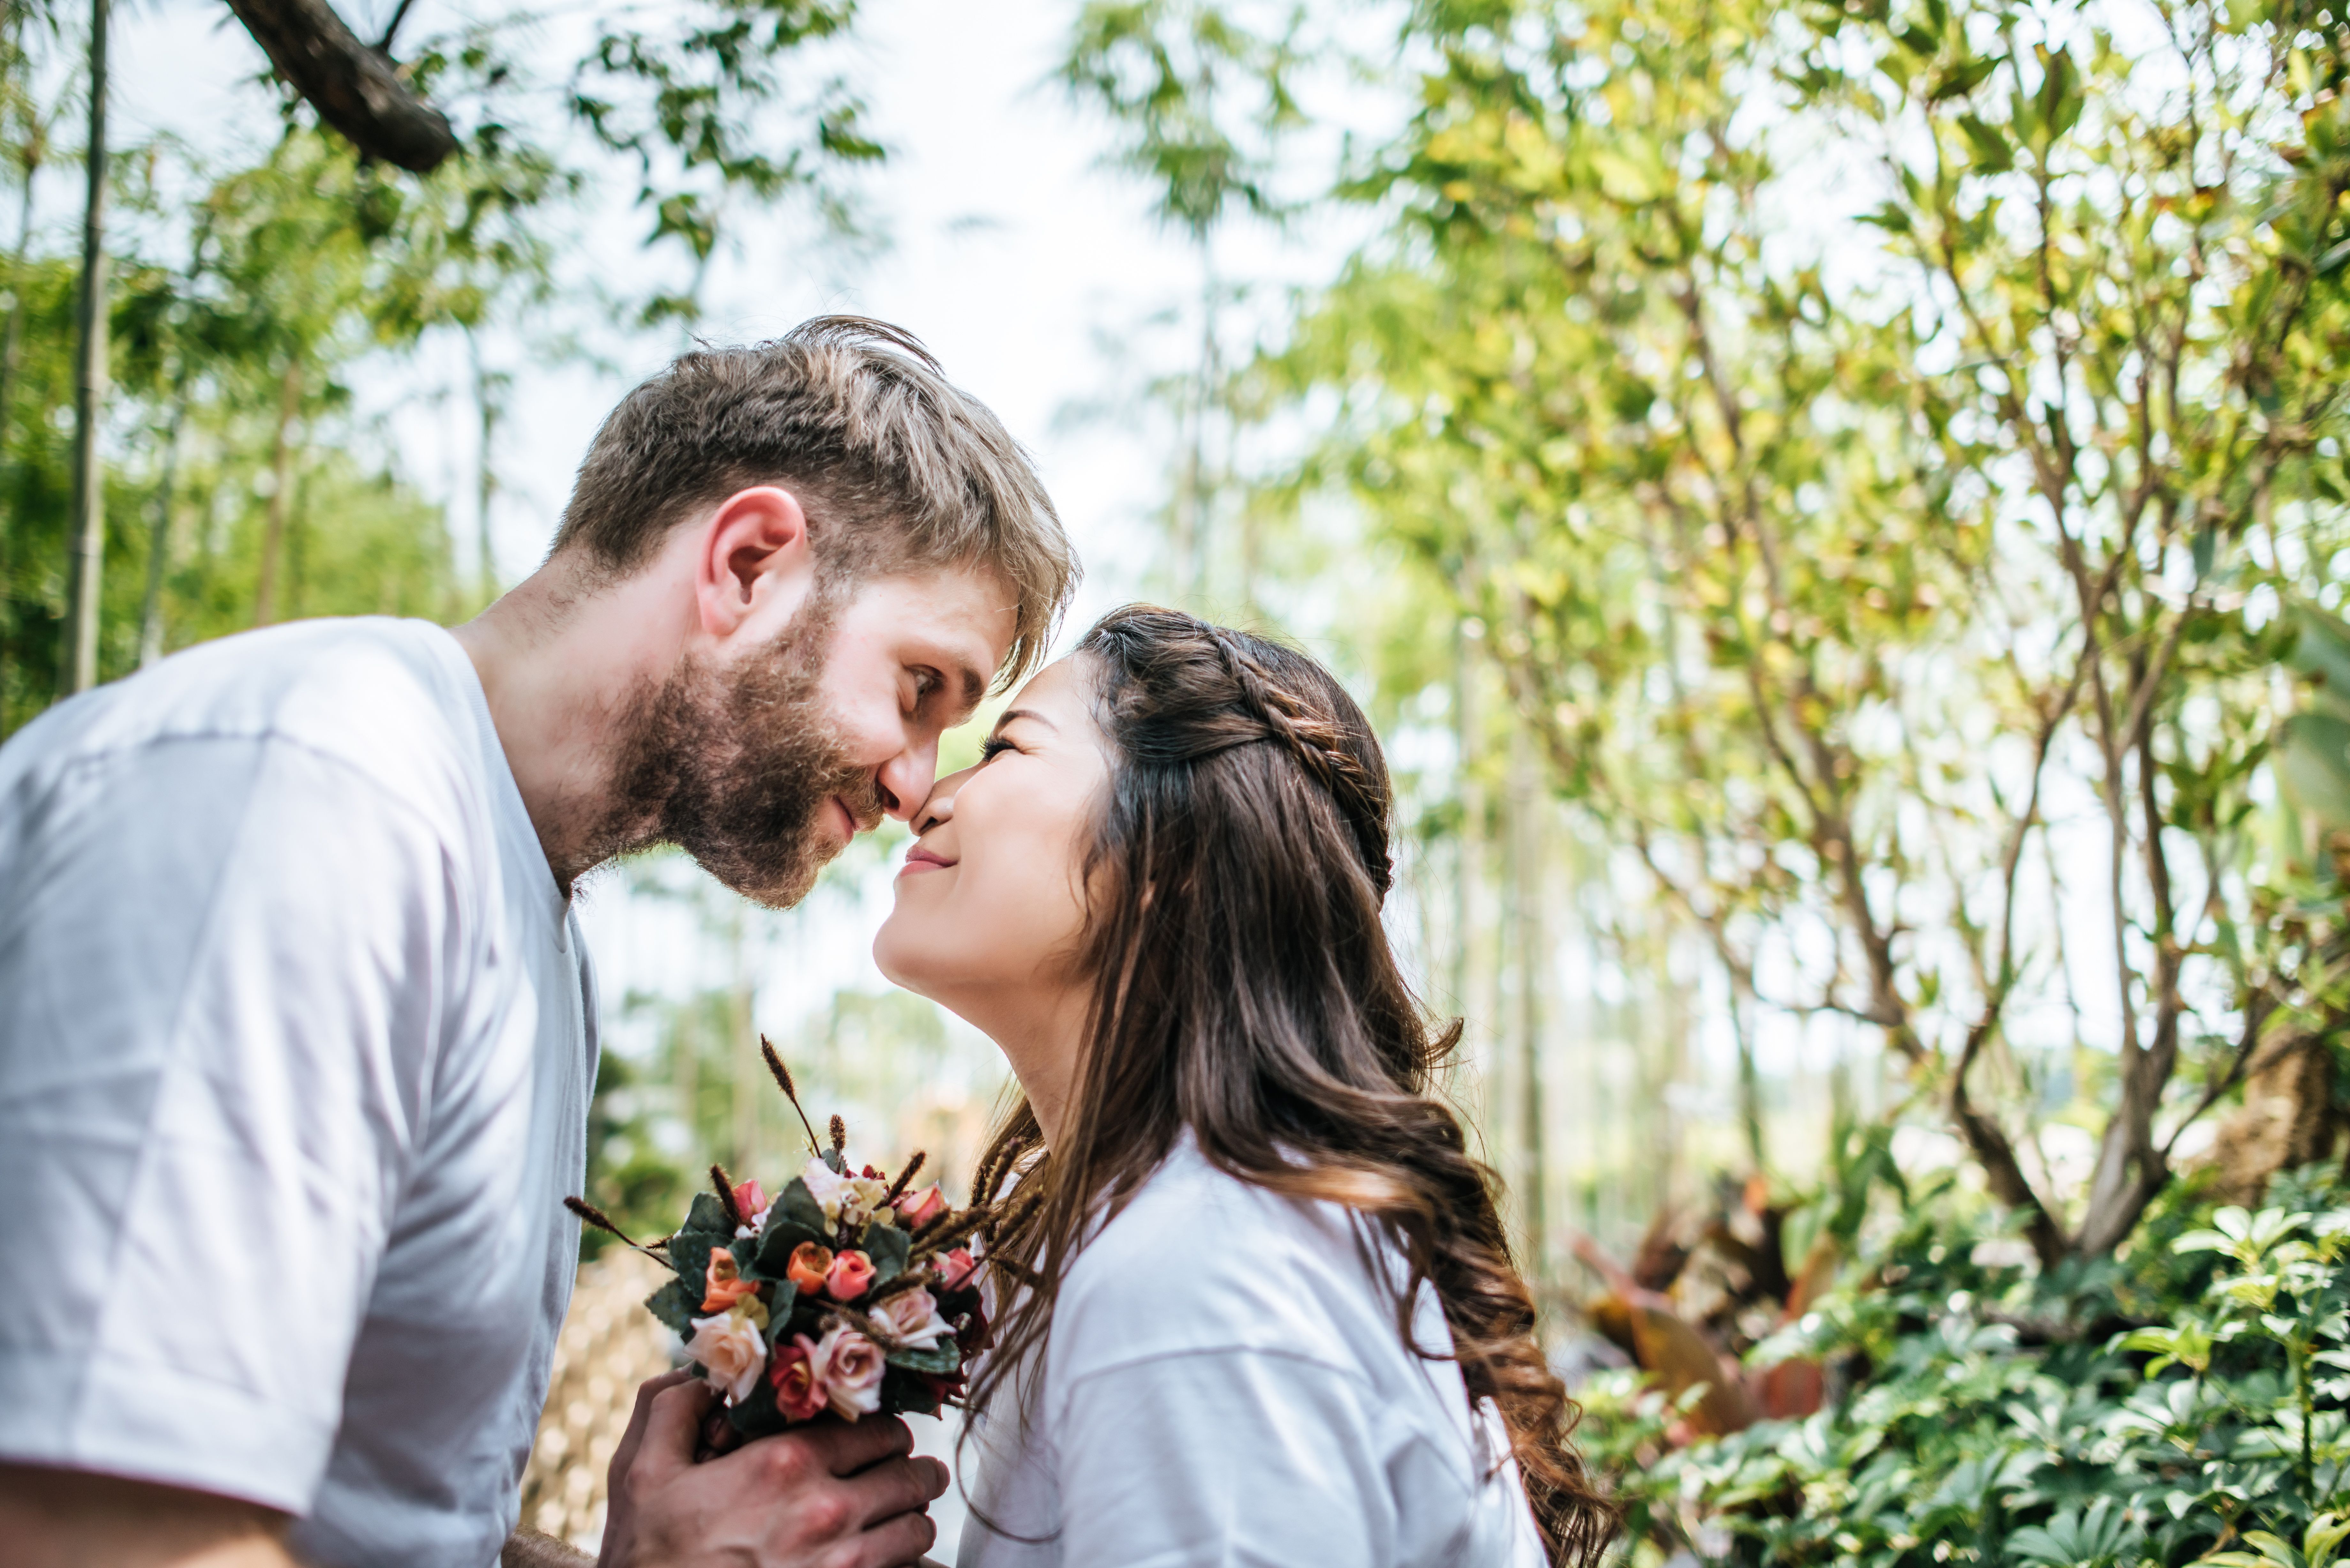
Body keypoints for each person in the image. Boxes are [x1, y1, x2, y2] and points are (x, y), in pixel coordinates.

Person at [0, 317, 1077, 1568]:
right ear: (746, 565)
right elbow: (96, 1530)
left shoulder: (531, 922)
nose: (913, 785)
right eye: (916, 690)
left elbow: (376, 1522)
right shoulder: (318, 800)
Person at [872, 605, 1615, 1567]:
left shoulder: (1199, 1267)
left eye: (1007, 747)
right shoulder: (1135, 1233)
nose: (926, 793)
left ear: (1167, 861)